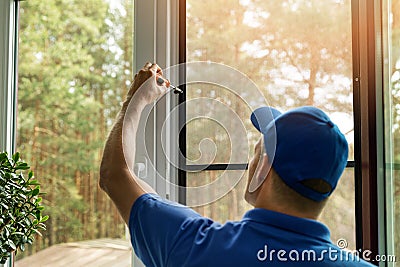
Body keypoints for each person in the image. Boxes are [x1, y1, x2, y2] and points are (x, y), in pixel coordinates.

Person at [99, 63, 374, 266]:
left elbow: (116, 175)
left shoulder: (197, 247)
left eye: (257, 153)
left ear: (263, 168)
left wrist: (137, 99)